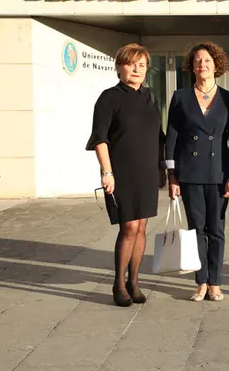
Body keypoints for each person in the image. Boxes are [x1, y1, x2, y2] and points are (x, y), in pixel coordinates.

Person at [86, 43, 166, 307]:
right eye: (131, 64)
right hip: (121, 172)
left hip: (147, 171)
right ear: (119, 67)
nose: (136, 69)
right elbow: (99, 138)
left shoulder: (150, 97)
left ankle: (134, 282)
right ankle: (118, 283)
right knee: (129, 227)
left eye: (142, 65)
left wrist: (163, 169)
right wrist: (107, 171)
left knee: (142, 227)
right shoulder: (109, 97)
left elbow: (159, 137)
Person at [165, 42, 229, 302]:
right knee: (196, 228)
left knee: (216, 229)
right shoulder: (180, 97)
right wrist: (172, 176)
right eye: (198, 60)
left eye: (207, 60)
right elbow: (172, 138)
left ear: (216, 64)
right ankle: (201, 281)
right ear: (192, 66)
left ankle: (216, 282)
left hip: (219, 172)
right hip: (190, 173)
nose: (202, 65)